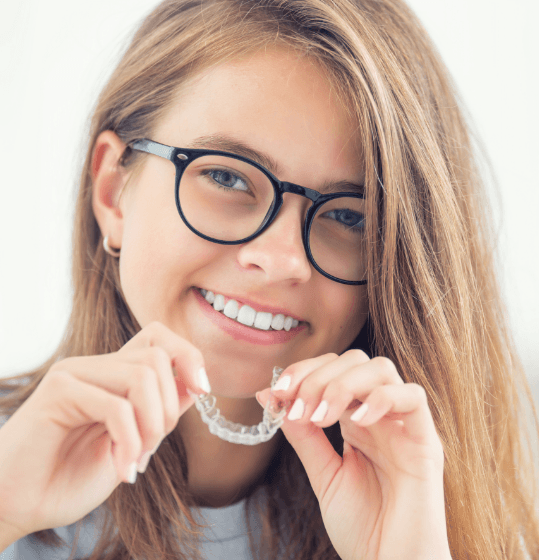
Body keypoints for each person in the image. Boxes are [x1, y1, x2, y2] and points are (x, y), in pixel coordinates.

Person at [0, 0, 538, 558]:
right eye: (228, 177)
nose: (282, 259)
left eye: (349, 215)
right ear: (113, 192)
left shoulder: (453, 526)